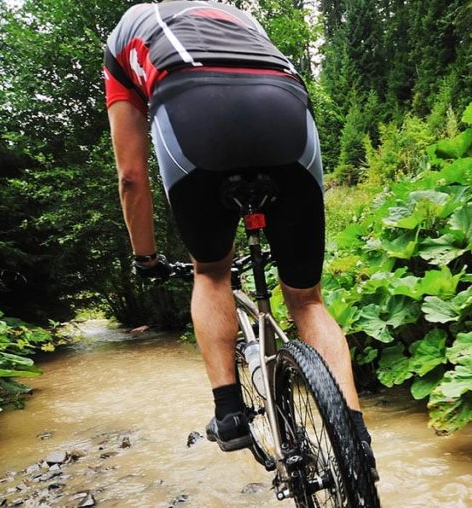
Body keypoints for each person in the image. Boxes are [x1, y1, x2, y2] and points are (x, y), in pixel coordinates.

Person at [103, 1, 373, 453]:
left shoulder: (127, 33)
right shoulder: (237, 17)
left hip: (191, 109)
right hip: (284, 104)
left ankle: (229, 413)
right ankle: (355, 436)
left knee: (211, 273)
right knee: (307, 299)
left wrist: (146, 259)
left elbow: (131, 177)